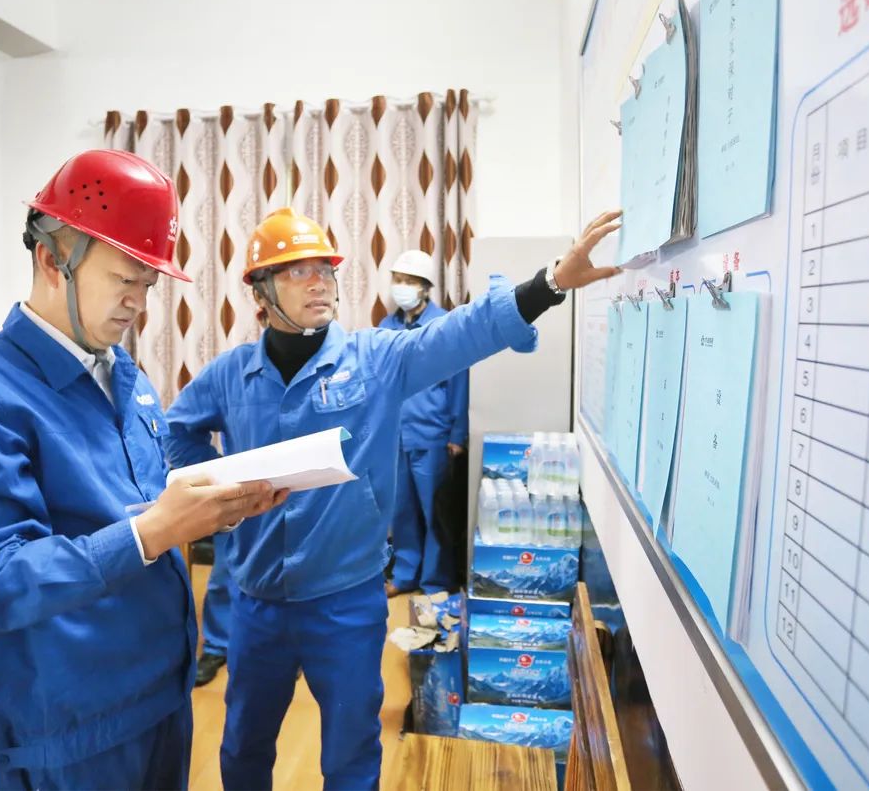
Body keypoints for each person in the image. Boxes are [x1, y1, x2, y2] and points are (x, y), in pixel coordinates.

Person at [164, 206, 623, 790]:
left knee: (351, 755)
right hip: (257, 602)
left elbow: (465, 332)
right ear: (260, 291)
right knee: (242, 746)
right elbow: (177, 432)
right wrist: (219, 497)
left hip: (345, 602)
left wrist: (550, 283)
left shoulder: (374, 359)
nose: (319, 282)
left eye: (325, 270)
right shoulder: (231, 374)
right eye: (298, 271)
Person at [0, 149, 286, 790]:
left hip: (158, 694)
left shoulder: (122, 375)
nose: (137, 303)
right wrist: (153, 531)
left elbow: (131, 503)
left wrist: (209, 506)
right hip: (68, 732)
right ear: (54, 260)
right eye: (124, 278)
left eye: (148, 285)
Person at [380, 250, 468, 596]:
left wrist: (457, 434)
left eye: (408, 281)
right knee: (401, 511)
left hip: (433, 434)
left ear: (425, 287)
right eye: (397, 280)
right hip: (395, 436)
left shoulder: (443, 325)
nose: (401, 287)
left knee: (435, 514)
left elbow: (459, 380)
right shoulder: (386, 328)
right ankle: (404, 575)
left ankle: (435, 581)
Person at [194, 307, 271, 688]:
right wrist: (217, 476)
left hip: (297, 498)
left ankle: (285, 651)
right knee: (225, 574)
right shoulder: (235, 372)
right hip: (241, 498)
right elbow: (180, 428)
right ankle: (216, 645)